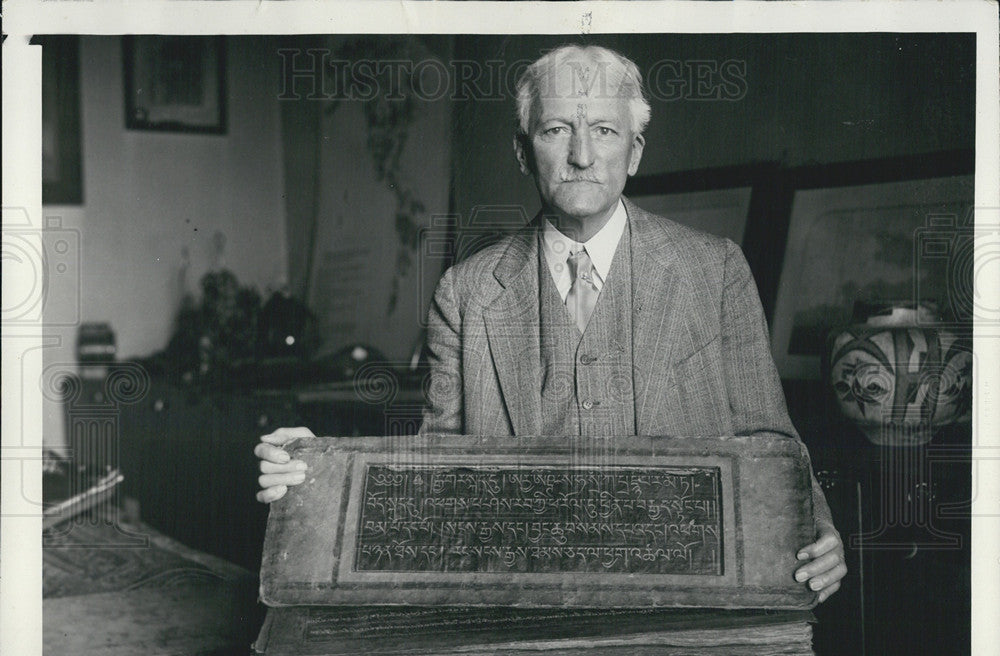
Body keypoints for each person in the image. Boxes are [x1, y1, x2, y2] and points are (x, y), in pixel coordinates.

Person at [256, 44, 846, 602]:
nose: (582, 155)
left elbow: (771, 442)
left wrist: (815, 524)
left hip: (684, 602)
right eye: (557, 129)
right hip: (524, 605)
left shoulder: (713, 271)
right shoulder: (466, 293)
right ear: (522, 150)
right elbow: (436, 469)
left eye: (605, 131)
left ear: (635, 151)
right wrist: (317, 471)